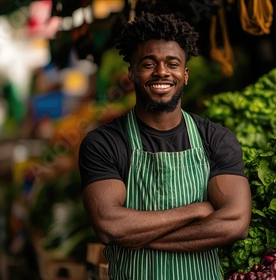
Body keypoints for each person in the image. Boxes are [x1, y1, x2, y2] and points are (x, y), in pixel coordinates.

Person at [78, 11, 252, 280]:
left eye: (172, 64)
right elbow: (110, 226)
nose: (161, 72)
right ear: (131, 73)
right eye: (148, 64)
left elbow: (235, 223)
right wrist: (196, 210)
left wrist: (137, 237)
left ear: (185, 74)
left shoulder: (216, 139)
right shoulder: (104, 143)